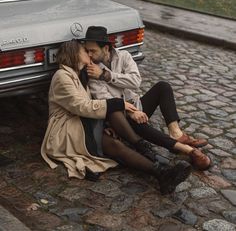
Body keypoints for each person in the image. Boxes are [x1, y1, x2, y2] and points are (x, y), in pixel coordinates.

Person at [41, 39, 192, 195]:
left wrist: (106, 121)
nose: (89, 54)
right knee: (116, 142)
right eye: (85, 51)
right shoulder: (62, 76)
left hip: (80, 124)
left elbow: (92, 105)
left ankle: (161, 171)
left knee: (115, 141)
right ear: (75, 54)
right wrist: (119, 104)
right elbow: (81, 106)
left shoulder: (78, 75)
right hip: (66, 131)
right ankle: (156, 165)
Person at [83, 26, 211, 171]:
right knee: (140, 125)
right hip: (119, 118)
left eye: (92, 50)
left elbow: (135, 82)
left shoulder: (123, 56)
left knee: (163, 86)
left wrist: (106, 75)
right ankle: (186, 150)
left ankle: (176, 133)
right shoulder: (91, 69)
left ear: (105, 48)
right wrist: (131, 111)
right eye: (87, 51)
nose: (89, 55)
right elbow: (105, 99)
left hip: (137, 105)